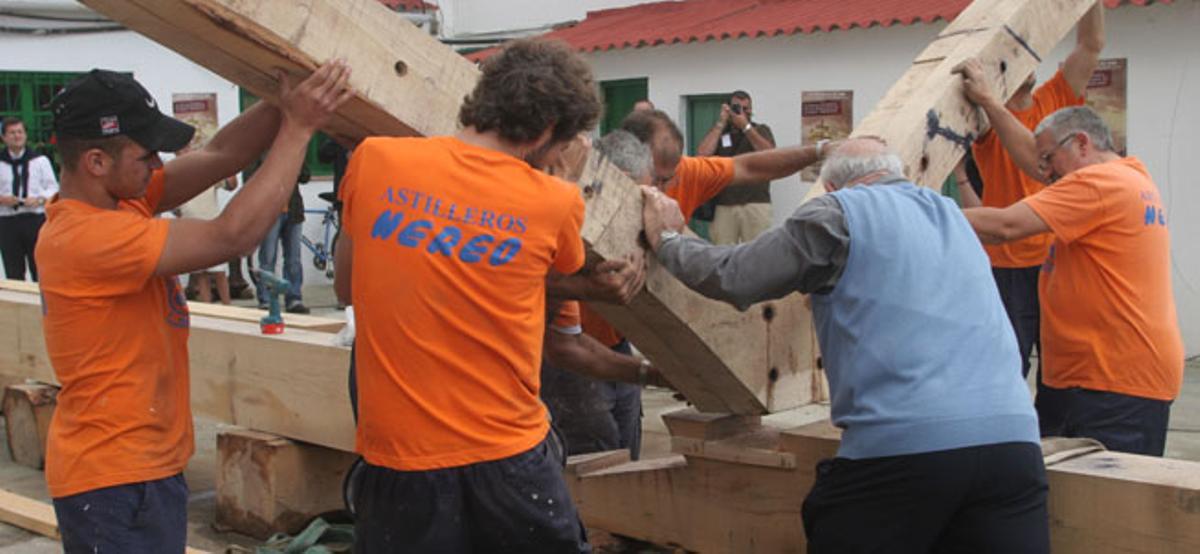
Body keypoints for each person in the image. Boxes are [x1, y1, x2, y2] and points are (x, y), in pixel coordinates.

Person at [642, 137, 1046, 553]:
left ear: (831, 188)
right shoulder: (952, 216)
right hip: (1013, 445)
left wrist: (670, 238)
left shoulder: (836, 213)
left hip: (903, 449)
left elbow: (734, 276)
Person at [36, 63, 351, 553]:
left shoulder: (122, 201)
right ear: (97, 161)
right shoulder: (85, 237)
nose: (157, 166)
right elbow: (232, 235)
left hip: (143, 469)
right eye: (146, 155)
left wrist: (281, 98)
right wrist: (300, 128)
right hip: (113, 480)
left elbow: (225, 154)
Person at [334, 38, 602, 553]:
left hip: (399, 463)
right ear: (550, 132)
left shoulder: (374, 159)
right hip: (509, 459)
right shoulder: (556, 200)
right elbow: (562, 271)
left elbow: (346, 287)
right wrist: (567, 177)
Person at [957, 62, 1183, 456]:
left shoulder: (1098, 183)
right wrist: (990, 103)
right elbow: (1030, 164)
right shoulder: (1129, 177)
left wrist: (909, 210)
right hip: (1102, 380)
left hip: (1110, 386)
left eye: (1048, 159)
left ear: (1081, 144)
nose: (1043, 172)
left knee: (1104, 505)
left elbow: (1006, 226)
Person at [966, 1, 1105, 380]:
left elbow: (1091, 45)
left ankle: (1054, 431)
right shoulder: (987, 115)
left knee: (1062, 358)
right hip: (1008, 261)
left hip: (1055, 257)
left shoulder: (1055, 98)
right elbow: (1031, 159)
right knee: (1009, 361)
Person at [541, 130, 655, 458]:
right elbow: (566, 346)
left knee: (627, 456)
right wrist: (585, 288)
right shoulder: (561, 215)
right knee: (596, 462)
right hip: (572, 362)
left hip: (614, 346)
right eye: (641, 192)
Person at [696, 90, 776, 244]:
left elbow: (770, 155)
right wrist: (721, 123)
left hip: (756, 202)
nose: (742, 112)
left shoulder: (760, 130)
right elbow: (702, 155)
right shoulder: (720, 133)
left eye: (746, 109)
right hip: (724, 204)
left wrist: (746, 127)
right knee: (723, 252)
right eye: (737, 108)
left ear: (751, 110)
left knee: (757, 252)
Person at [0, 116, 58, 281]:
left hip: (34, 219)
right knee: (13, 270)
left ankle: (41, 305)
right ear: (4, 137)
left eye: (20, 132)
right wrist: (2, 199)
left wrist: (39, 199)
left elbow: (53, 188)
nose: (17, 136)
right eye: (11, 133)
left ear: (25, 135)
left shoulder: (40, 161)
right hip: (8, 221)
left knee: (40, 269)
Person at [256, 164, 311, 313]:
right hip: (269, 211)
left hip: (294, 210)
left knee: (293, 258)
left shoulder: (296, 149)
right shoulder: (262, 152)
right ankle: (265, 298)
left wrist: (298, 167)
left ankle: (294, 298)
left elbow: (306, 176)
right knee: (268, 257)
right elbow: (251, 180)